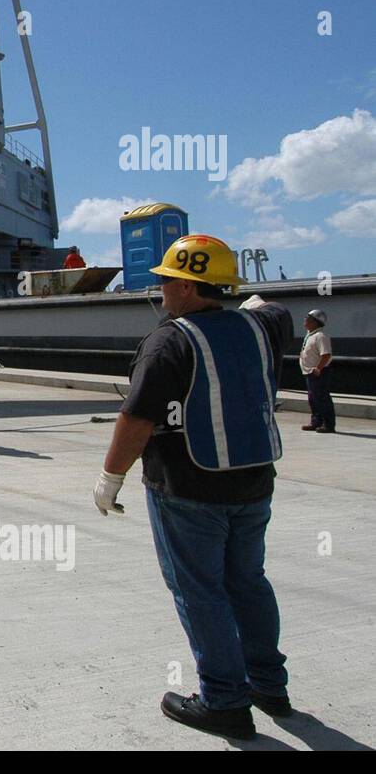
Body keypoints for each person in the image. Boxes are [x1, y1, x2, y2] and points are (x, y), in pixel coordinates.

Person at [93, 234, 294, 741]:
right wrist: (249, 299)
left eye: (164, 280)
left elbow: (136, 418)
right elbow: (276, 310)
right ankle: (268, 685)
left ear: (185, 285)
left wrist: (110, 477)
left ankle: (225, 701)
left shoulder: (170, 340)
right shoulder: (261, 325)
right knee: (248, 581)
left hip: (186, 488)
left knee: (199, 591)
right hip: (253, 483)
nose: (159, 289)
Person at [300, 308, 335, 433]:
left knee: (322, 398)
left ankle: (328, 424)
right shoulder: (310, 335)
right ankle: (316, 421)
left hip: (319, 372)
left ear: (315, 322)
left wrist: (318, 368)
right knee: (313, 399)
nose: (305, 320)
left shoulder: (320, 336)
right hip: (310, 372)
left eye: (308, 318)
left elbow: (326, 355)